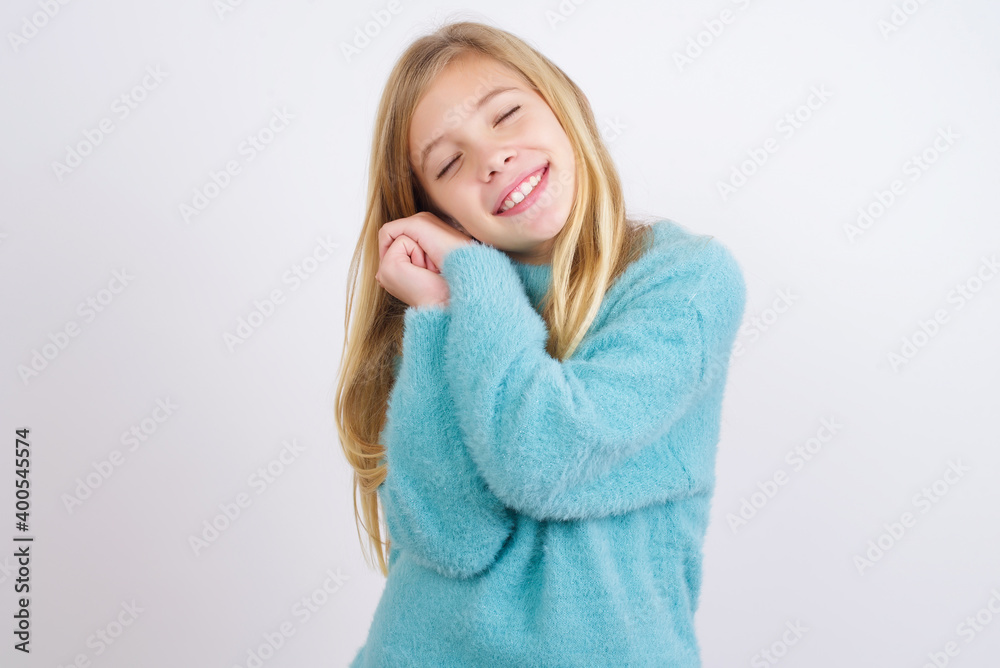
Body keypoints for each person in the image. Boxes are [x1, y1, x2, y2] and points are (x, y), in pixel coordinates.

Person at [334, 19, 747, 667]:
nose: (491, 157)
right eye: (448, 161)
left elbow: (546, 456)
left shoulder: (686, 280)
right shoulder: (441, 311)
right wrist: (445, 305)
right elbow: (448, 541)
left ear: (564, 106)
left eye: (506, 115)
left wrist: (473, 282)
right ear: (439, 215)